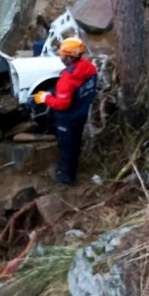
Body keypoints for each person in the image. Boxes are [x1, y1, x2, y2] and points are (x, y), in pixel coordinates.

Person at [33, 37, 97, 185]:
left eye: (62, 55)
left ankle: (67, 176)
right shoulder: (90, 68)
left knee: (66, 146)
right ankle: (73, 166)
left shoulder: (67, 79)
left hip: (67, 119)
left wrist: (45, 98)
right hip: (81, 113)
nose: (60, 57)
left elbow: (62, 104)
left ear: (69, 56)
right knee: (75, 142)